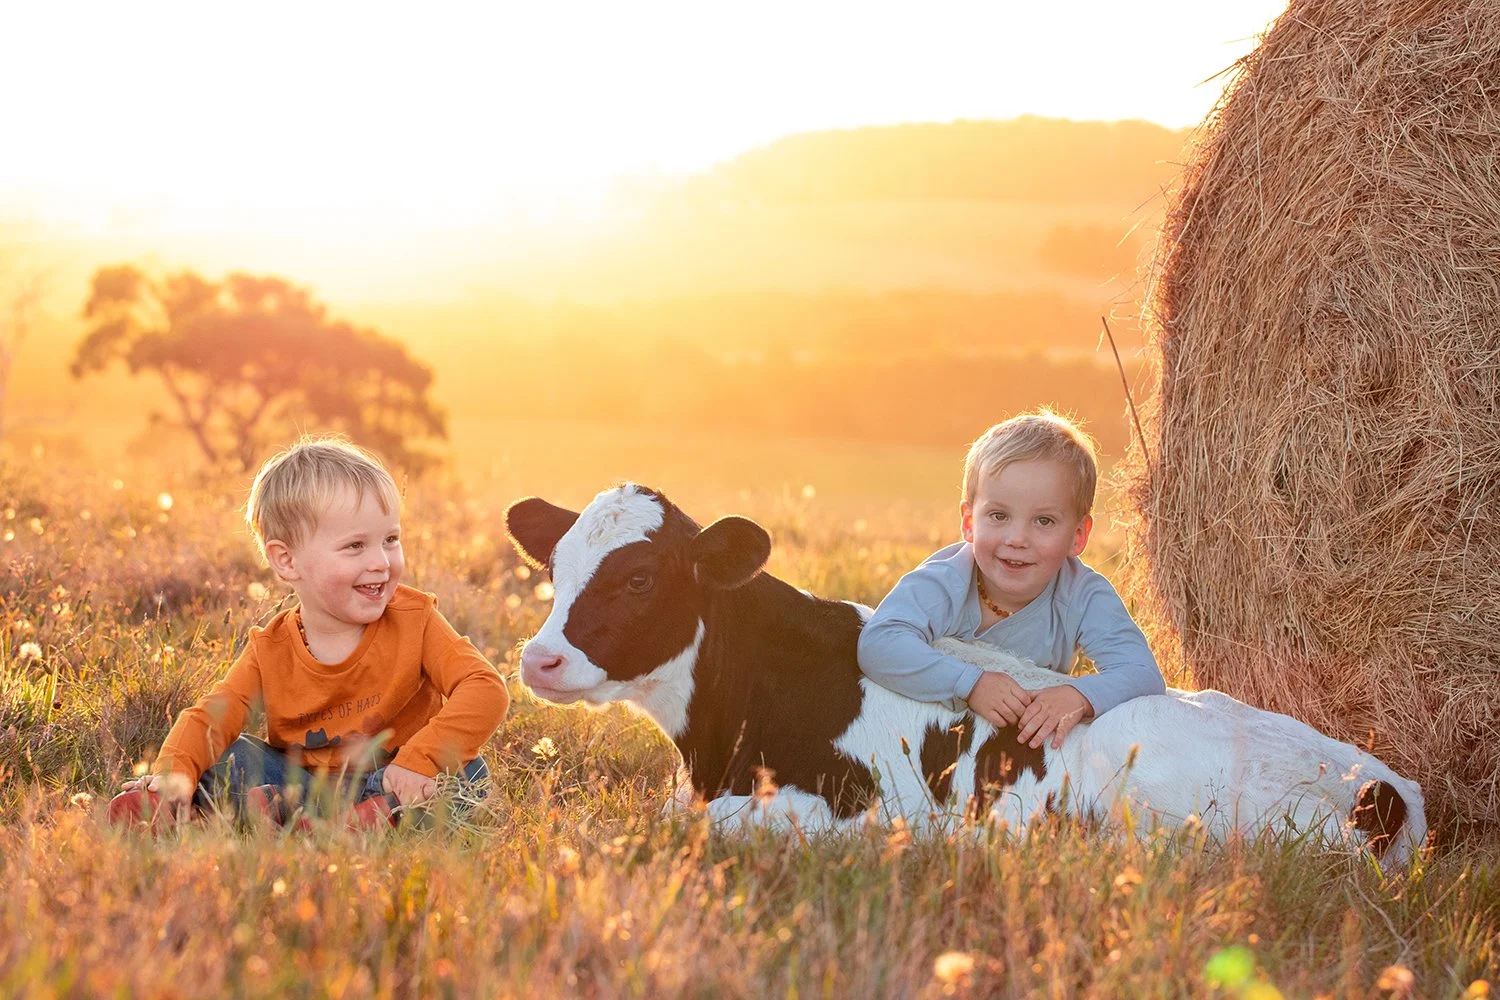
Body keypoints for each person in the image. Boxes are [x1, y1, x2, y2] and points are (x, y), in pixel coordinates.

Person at [107, 436, 509, 830]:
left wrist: (421, 758)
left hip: (396, 779)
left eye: (390, 539)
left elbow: (484, 687)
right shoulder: (271, 649)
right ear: (287, 560)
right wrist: (174, 772)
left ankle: (301, 816)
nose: (381, 562)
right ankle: (183, 804)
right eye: (355, 546)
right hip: (295, 781)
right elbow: (211, 716)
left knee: (465, 775)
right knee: (231, 755)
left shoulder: (415, 619)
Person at [858, 411, 1164, 751]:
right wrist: (970, 684)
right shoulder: (946, 580)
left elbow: (1142, 673)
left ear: (1078, 536)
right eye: (999, 516)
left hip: (1019, 756)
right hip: (931, 741)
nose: (1017, 538)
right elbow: (879, 643)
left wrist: (1080, 694)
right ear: (969, 521)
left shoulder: (1082, 594)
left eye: (1044, 521)